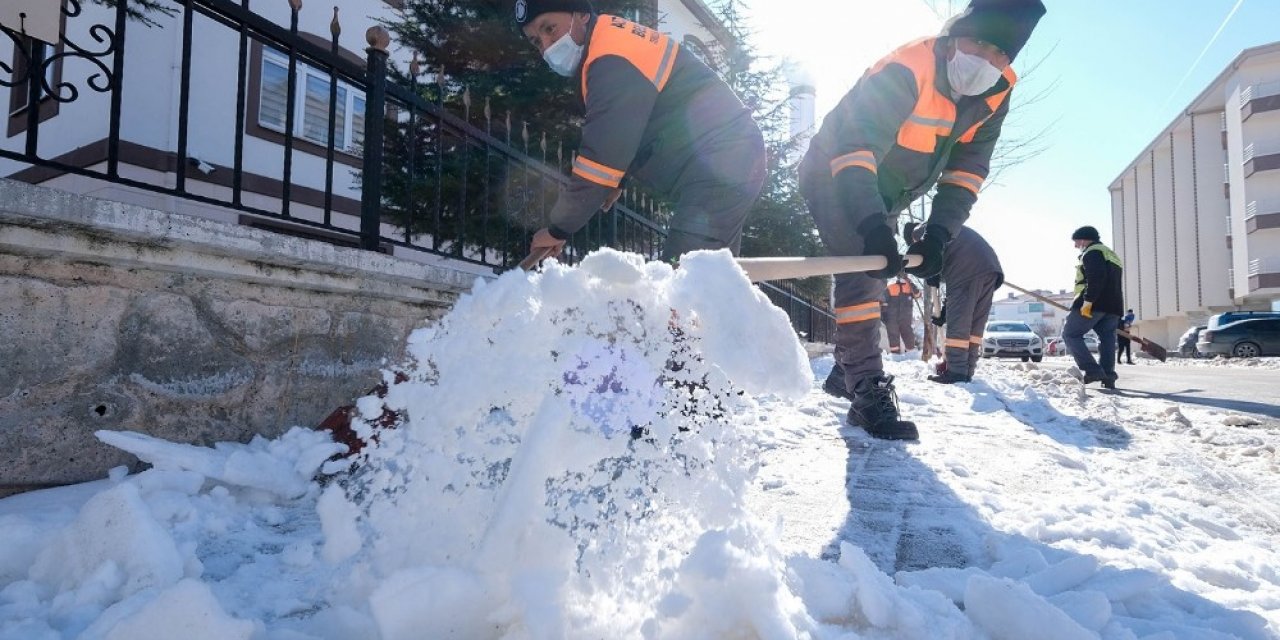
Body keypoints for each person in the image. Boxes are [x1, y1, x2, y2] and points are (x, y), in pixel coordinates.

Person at [806, 0, 1045, 440]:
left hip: (895, 187)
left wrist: (938, 235)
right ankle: (865, 393)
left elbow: (967, 170)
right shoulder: (907, 67)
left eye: (1000, 55)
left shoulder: (998, 89)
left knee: (876, 272)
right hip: (837, 171)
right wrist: (872, 226)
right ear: (954, 35)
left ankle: (846, 372)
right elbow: (856, 149)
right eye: (979, 44)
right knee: (864, 267)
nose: (987, 62)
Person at [515, 0, 766, 263]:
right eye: (535, 41)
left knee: (684, 281)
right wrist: (617, 180)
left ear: (581, 14)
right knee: (710, 278)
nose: (546, 46)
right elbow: (633, 128)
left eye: (550, 28)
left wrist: (558, 228)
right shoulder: (607, 44)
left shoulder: (612, 56)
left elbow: (602, 155)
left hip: (724, 161)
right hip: (726, 157)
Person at [901, 222, 1003, 384]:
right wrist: (945, 313)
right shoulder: (941, 227)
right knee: (974, 327)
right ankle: (965, 369)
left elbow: (956, 286)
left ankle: (956, 371)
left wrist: (929, 270)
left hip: (967, 270)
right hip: (990, 269)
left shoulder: (922, 232)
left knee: (959, 326)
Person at [1063, 226, 1124, 389]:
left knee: (1070, 334)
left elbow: (1096, 278)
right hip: (1113, 306)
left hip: (1094, 303)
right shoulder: (1110, 254)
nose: (1076, 246)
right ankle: (1108, 375)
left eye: (1076, 242)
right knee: (1107, 340)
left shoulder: (1093, 252)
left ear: (1083, 239)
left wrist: (1088, 301)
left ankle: (1093, 370)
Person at [882, 275, 920, 354]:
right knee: (893, 337)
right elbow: (883, 302)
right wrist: (884, 316)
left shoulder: (910, 288)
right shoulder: (890, 288)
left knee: (908, 336)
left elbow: (918, 295)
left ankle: (911, 355)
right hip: (892, 319)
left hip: (905, 319)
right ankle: (896, 356)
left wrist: (911, 284)